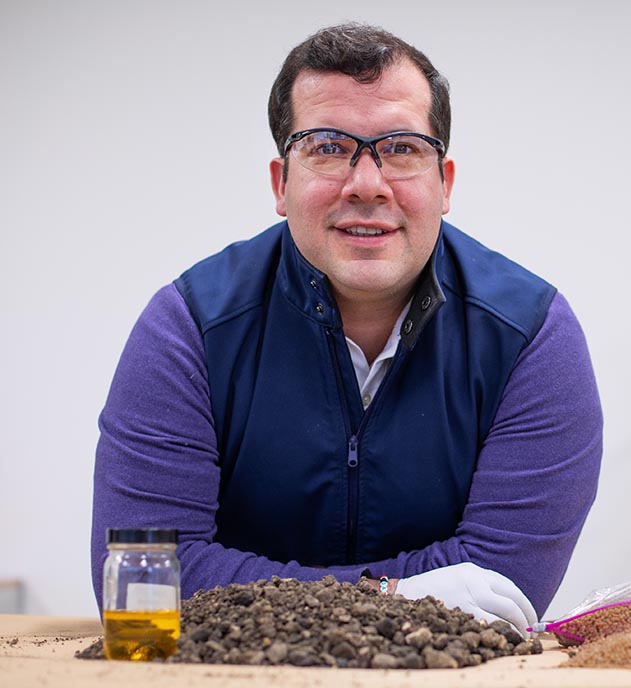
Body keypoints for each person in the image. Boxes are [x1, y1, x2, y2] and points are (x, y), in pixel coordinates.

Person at [91, 22, 603, 637]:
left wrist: (250, 594)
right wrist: (398, 595)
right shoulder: (188, 330)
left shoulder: (531, 337)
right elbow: (146, 590)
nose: (367, 184)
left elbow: (506, 582)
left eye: (402, 147)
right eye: (328, 147)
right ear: (282, 183)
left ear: (446, 184)